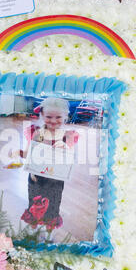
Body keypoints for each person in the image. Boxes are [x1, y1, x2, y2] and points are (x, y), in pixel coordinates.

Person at [18, 97, 79, 232]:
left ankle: (49, 232)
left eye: (58, 117)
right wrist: (19, 153)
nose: (53, 120)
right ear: (41, 115)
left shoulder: (67, 136)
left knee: (53, 205)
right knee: (34, 203)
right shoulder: (37, 133)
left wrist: (65, 148)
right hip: (36, 177)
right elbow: (29, 154)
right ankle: (32, 230)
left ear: (65, 117)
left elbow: (70, 160)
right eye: (49, 116)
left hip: (56, 179)